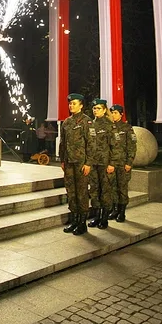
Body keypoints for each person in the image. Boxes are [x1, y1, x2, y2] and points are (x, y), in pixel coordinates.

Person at [61, 93, 93, 236]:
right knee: (71, 192)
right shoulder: (66, 122)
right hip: (68, 163)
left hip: (81, 163)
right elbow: (63, 143)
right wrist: (62, 160)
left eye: (74, 103)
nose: (71, 106)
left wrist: (88, 163)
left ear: (81, 105)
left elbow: (91, 144)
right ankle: (74, 219)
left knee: (81, 192)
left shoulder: (87, 122)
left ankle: (82, 223)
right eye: (70, 104)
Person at [107, 104, 138, 222]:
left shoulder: (127, 128)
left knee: (122, 188)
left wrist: (129, 162)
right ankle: (115, 209)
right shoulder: (110, 128)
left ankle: (122, 212)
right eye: (112, 113)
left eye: (115, 113)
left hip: (123, 163)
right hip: (112, 164)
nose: (113, 115)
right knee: (113, 187)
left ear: (121, 114)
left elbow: (132, 147)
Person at [86, 99, 113, 230]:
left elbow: (115, 146)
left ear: (104, 109)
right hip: (93, 163)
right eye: (94, 108)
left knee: (105, 190)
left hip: (105, 163)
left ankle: (104, 218)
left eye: (98, 108)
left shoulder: (109, 125)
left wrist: (112, 163)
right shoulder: (91, 124)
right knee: (94, 189)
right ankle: (96, 216)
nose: (95, 110)